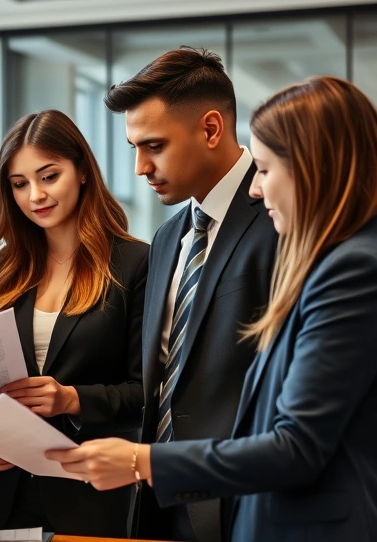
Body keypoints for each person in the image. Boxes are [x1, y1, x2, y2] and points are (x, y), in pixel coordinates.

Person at [49, 75, 377, 542]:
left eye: (267, 170)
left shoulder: (354, 266)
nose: (257, 188)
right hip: (202, 504)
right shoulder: (174, 238)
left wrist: (142, 461)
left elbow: (297, 444)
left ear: (316, 168)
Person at [104, 47, 277, 542]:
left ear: (210, 129)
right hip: (157, 498)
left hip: (241, 506)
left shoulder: (280, 219)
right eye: (135, 147)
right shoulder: (166, 238)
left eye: (154, 146)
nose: (140, 167)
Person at [0, 110, 147, 537]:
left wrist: (70, 399)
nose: (35, 196)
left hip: (88, 494)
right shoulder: (5, 267)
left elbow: (144, 392)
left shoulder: (135, 263)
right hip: (0, 494)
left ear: (82, 171)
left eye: (49, 176)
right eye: (20, 183)